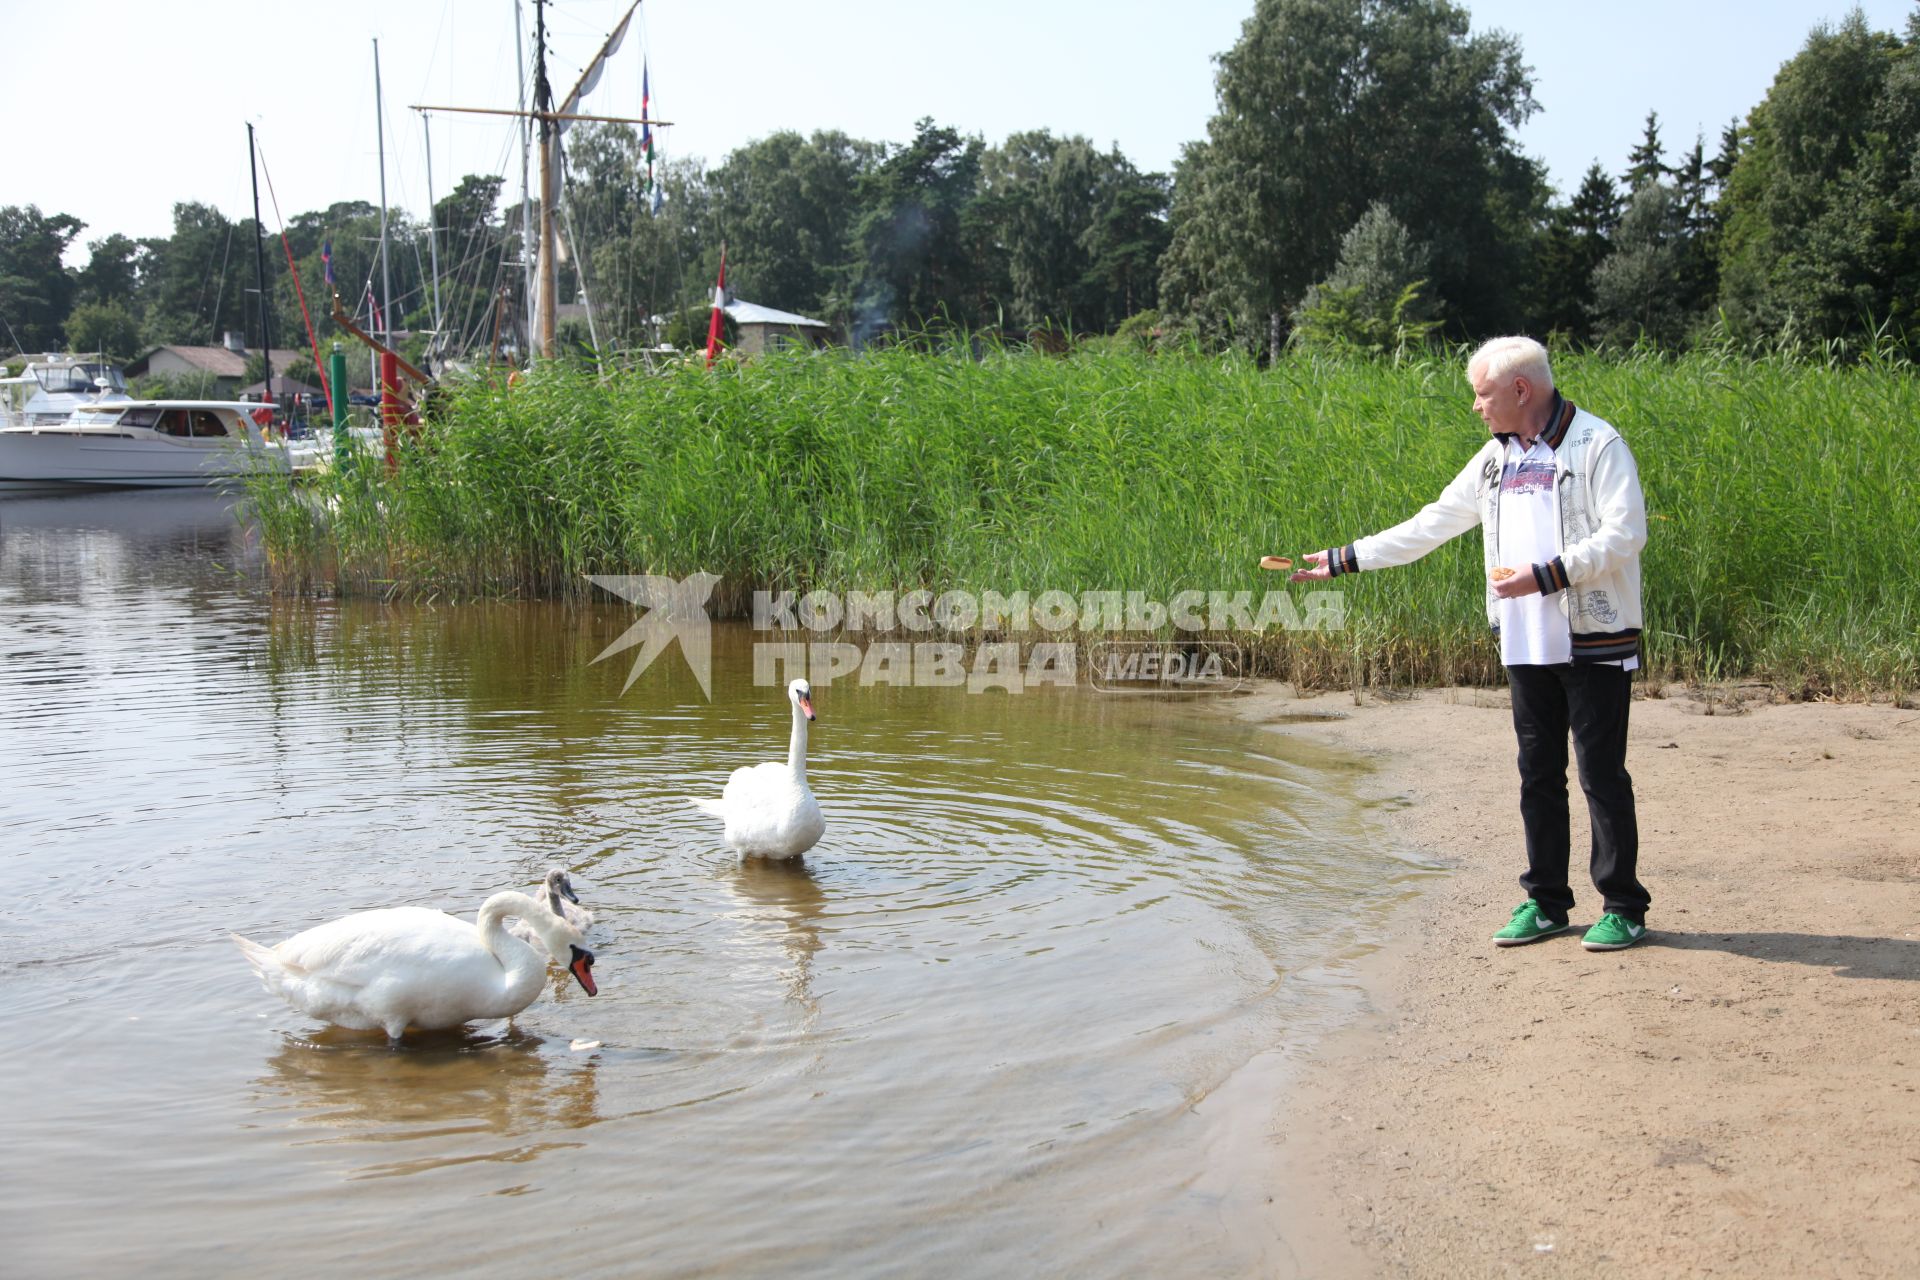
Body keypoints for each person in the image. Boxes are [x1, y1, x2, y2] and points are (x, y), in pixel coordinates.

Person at [1290, 336, 1652, 951]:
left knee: (1600, 775)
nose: (1477, 408)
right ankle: (1546, 903)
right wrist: (1345, 559)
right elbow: (1431, 523)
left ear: (1520, 390)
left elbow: (1626, 534)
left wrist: (1546, 575)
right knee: (1537, 775)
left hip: (1594, 637)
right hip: (1523, 641)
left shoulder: (1597, 444)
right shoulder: (1494, 459)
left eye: (1483, 395)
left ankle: (1623, 906)